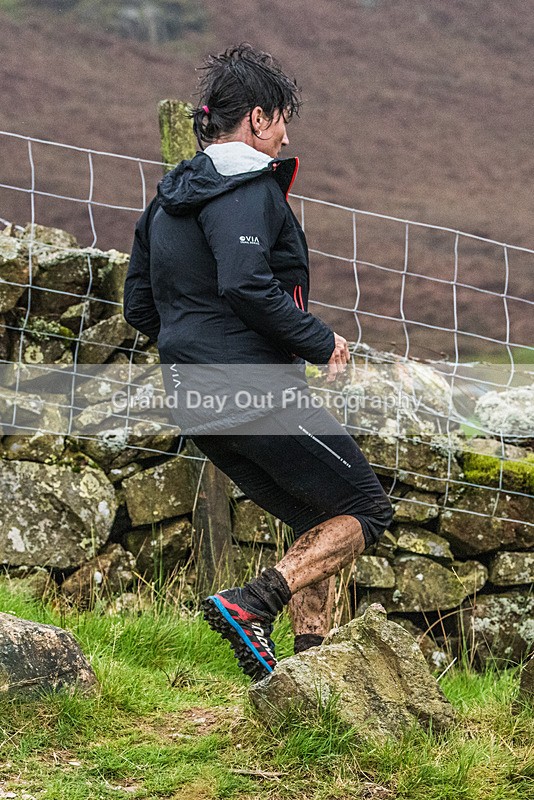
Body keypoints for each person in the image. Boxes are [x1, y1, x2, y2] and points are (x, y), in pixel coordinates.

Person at [123, 44, 393, 682]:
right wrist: (316, 340)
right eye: (281, 121)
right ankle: (254, 604)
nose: (286, 136)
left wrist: (199, 348)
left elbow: (140, 307)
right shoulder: (251, 188)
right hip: (249, 385)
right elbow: (246, 282)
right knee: (367, 509)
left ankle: (309, 666)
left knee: (318, 514)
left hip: (192, 393)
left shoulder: (164, 203)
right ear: (257, 119)